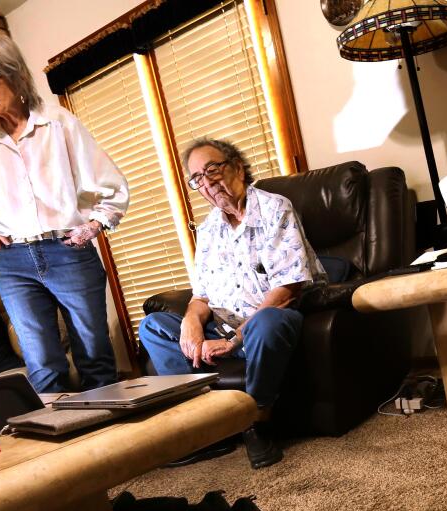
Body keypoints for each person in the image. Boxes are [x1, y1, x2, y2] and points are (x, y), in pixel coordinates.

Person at [0, 31, 128, 394]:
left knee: (94, 356)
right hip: (12, 260)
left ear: (12, 72)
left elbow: (113, 189)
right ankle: (64, 445)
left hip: (68, 252)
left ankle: (113, 442)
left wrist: (93, 226)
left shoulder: (58, 123)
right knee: (42, 364)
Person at [138, 138, 325, 469]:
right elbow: (202, 295)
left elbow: (288, 289)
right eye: (197, 178)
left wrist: (234, 339)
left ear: (238, 166)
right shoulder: (209, 229)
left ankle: (256, 418)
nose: (207, 182)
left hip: (269, 320)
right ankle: (203, 426)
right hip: (223, 324)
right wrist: (192, 323)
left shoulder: (274, 208)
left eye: (213, 169)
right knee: (153, 325)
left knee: (268, 322)